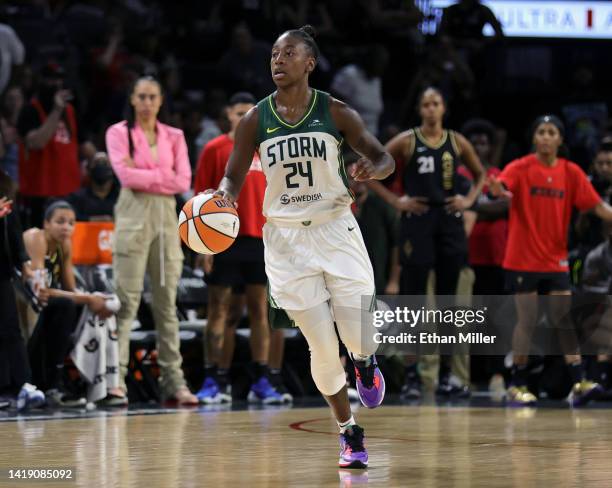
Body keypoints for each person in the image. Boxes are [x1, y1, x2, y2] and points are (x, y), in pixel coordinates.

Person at [212, 26, 394, 469]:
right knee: (319, 344)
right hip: (286, 241)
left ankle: (365, 362)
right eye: (274, 53)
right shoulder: (254, 119)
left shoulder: (336, 111)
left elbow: (384, 157)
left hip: (336, 230)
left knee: (356, 334)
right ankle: (349, 432)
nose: (278, 60)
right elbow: (233, 176)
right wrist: (222, 197)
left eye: (288, 53)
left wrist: (375, 168)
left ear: (308, 63)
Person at [368, 87, 485, 399]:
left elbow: (480, 174)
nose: (431, 109)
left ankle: (447, 376)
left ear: (444, 108)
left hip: (448, 220)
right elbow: (371, 170)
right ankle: (412, 375)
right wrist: (397, 201)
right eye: (426, 104)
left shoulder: (457, 141)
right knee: (414, 304)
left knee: (448, 303)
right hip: (417, 220)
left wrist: (469, 199)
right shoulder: (407, 140)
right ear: (420, 109)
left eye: (436, 103)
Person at [488, 115, 612, 407]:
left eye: (551, 132)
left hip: (555, 259)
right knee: (527, 320)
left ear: (560, 139)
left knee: (563, 318)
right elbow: (502, 188)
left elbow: (597, 207)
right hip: (522, 259)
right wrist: (497, 190)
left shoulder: (571, 172)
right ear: (534, 138)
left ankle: (579, 381)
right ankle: (516, 384)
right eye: (541, 132)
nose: (545, 137)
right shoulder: (520, 167)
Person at [105, 75, 198, 406]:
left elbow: (183, 181)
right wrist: (162, 176)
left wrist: (147, 176)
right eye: (141, 96)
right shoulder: (119, 133)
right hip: (132, 217)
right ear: (132, 99)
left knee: (166, 307)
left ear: (160, 101)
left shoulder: (174, 136)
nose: (146, 103)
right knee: (125, 303)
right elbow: (125, 176)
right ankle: (115, 381)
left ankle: (174, 383)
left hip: (165, 220)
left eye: (152, 97)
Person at [193, 92, 288, 405]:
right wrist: (203, 246)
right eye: (238, 113)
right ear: (228, 115)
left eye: (250, 113)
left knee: (260, 310)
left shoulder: (269, 149)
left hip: (261, 240)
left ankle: (263, 380)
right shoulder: (214, 149)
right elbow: (200, 199)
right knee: (220, 311)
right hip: (223, 240)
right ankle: (213, 380)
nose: (244, 118)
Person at [23, 200, 116, 407]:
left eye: (71, 223)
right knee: (66, 306)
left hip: (44, 305)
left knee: (91, 307)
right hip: (23, 304)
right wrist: (88, 299)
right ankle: (50, 383)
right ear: (46, 223)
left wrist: (97, 299)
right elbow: (41, 290)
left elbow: (70, 288)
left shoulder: (64, 244)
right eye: (60, 221)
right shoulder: (35, 237)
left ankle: (96, 384)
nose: (66, 227)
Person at [17, 63, 92, 229]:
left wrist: (100, 160)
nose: (56, 84)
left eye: (59, 79)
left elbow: (85, 145)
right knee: (41, 247)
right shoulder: (30, 111)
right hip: (40, 195)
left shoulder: (71, 111)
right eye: (51, 79)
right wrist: (57, 110)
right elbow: (37, 142)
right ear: (41, 81)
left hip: (70, 193)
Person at [0, 169, 46, 410]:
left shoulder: (5, 182)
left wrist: (23, 261)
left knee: (11, 329)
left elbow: (13, 226)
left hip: (2, 271)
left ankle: (25, 385)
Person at [67, 152, 118, 221]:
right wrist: (92, 220)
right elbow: (68, 218)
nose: (101, 166)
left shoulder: (121, 198)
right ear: (88, 170)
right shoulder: (77, 198)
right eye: (97, 163)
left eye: (105, 163)